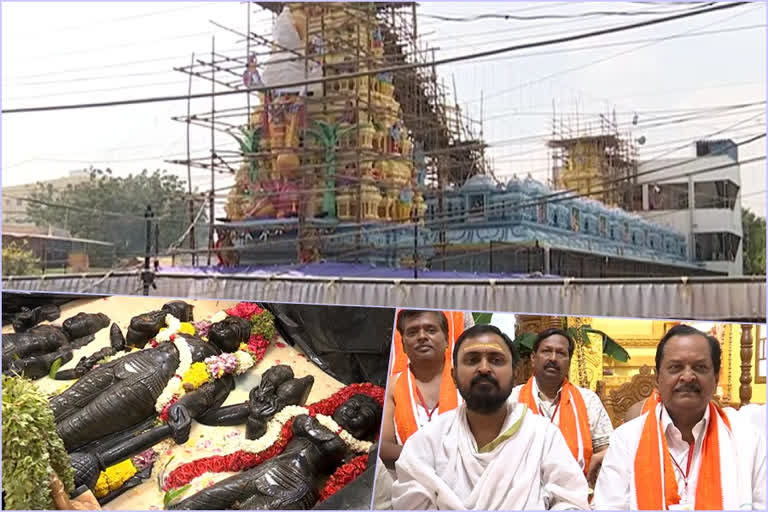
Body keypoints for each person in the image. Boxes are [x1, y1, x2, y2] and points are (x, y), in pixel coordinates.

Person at [392, 324, 590, 510]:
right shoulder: (427, 441)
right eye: (472, 360)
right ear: (453, 376)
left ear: (514, 373)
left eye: (496, 360)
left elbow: (570, 500)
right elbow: (409, 500)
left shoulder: (543, 435)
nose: (484, 368)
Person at [593, 324, 766, 510]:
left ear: (715, 378)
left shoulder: (747, 439)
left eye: (700, 367)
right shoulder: (626, 441)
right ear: (657, 378)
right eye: (676, 367)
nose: (688, 376)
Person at [511, 328, 613, 485]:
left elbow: (607, 449)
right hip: (523, 494)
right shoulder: (512, 399)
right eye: (546, 351)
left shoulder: (587, 400)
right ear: (533, 358)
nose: (553, 358)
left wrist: (603, 456)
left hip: (578, 493)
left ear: (569, 361)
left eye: (561, 353)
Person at [380, 311, 463, 469]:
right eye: (412, 332)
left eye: (431, 330)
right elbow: (383, 447)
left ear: (446, 339)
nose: (422, 337)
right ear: (403, 345)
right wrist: (427, 458)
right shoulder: (393, 385)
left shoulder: (466, 379)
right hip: (408, 481)